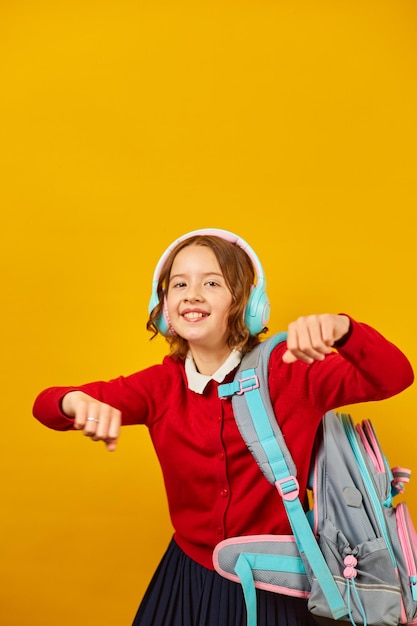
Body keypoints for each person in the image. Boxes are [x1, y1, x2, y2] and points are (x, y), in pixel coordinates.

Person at [33, 228, 414, 626]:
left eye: (211, 282)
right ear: (164, 307)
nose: (192, 294)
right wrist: (73, 402)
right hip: (188, 576)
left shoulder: (292, 371)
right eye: (179, 283)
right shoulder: (160, 386)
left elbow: (394, 376)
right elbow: (46, 405)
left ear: (248, 305)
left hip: (278, 581)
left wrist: (344, 330)